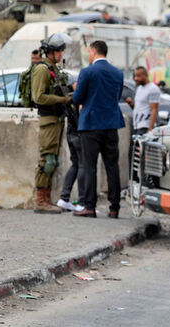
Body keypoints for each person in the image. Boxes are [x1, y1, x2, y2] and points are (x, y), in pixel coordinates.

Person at [72, 40, 124, 219]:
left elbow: (77, 98)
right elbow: (116, 97)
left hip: (91, 124)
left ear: (93, 51)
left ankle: (89, 206)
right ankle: (114, 207)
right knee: (112, 166)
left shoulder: (87, 72)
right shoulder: (117, 73)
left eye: (89, 52)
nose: (88, 55)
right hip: (111, 124)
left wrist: (76, 89)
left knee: (89, 166)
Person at [31, 33, 73, 214]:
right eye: (58, 50)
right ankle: (40, 200)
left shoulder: (53, 69)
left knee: (53, 161)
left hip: (57, 119)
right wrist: (61, 99)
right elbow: (38, 97)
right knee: (46, 160)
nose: (61, 54)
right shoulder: (42, 69)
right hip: (48, 120)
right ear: (50, 52)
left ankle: (47, 198)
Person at [57, 72, 85, 213]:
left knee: (75, 164)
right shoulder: (77, 97)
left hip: (70, 133)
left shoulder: (68, 98)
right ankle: (82, 202)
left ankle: (64, 198)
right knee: (82, 165)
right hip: (79, 134)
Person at [130, 67, 160, 135]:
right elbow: (138, 108)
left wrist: (150, 129)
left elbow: (154, 110)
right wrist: (131, 104)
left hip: (145, 126)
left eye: (138, 76)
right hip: (137, 125)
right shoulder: (139, 88)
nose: (136, 78)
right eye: (135, 76)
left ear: (146, 75)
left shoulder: (153, 88)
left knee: (141, 146)